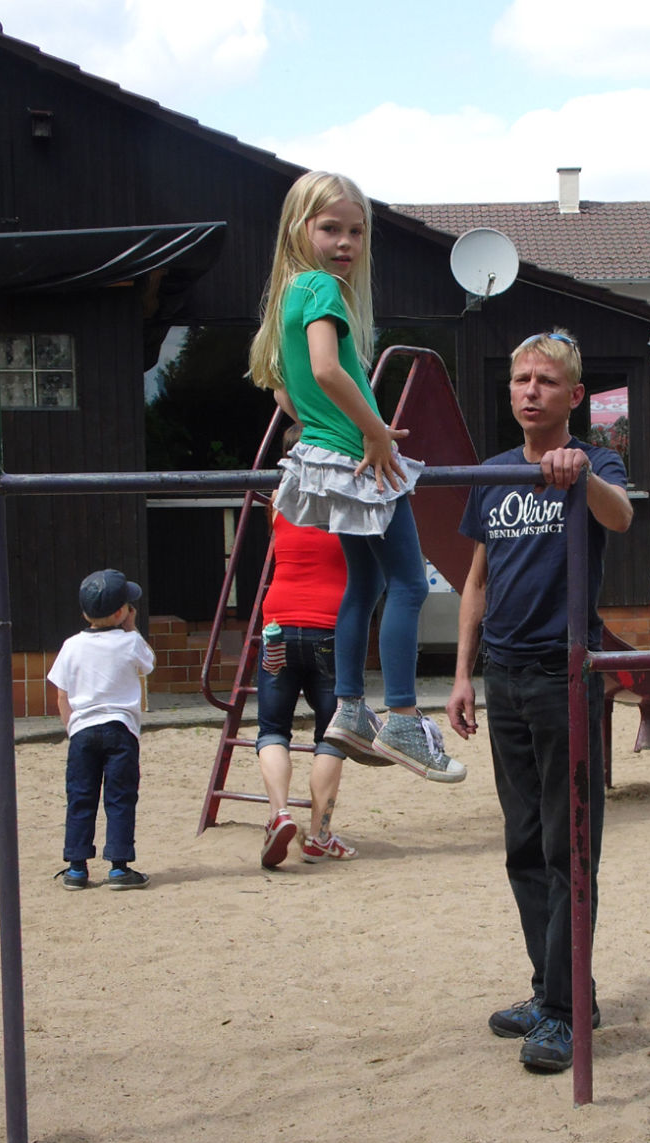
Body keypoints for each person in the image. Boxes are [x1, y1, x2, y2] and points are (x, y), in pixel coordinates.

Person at [446, 329, 633, 1073]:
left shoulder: (594, 463)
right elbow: (477, 581)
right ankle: (554, 989)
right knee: (523, 847)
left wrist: (580, 477)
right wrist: (462, 674)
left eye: (546, 381)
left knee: (568, 849)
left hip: (566, 677)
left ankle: (563, 1009)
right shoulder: (491, 472)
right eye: (521, 379)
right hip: (506, 678)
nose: (530, 391)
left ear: (574, 396)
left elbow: (619, 516)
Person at [247, 169, 464, 785]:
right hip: (358, 460)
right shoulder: (321, 288)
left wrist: (323, 428)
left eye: (356, 231)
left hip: (323, 461)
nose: (346, 242)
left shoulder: (289, 292)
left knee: (364, 585)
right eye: (330, 229)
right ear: (300, 229)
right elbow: (324, 369)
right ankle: (399, 717)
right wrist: (371, 429)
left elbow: (286, 391)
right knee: (409, 585)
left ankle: (346, 707)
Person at [257, 423, 369, 870]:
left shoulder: (279, 502)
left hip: (278, 624)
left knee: (271, 729)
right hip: (330, 627)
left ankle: (278, 813)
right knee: (332, 735)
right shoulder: (347, 498)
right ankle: (319, 834)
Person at [48, 569, 156, 890]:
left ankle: (77, 868)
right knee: (120, 797)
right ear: (124, 611)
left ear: (84, 613)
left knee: (80, 797)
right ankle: (119, 867)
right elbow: (148, 664)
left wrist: (72, 728)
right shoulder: (130, 641)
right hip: (121, 731)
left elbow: (61, 694)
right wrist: (132, 628)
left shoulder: (71, 646)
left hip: (82, 732)